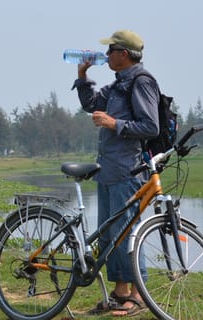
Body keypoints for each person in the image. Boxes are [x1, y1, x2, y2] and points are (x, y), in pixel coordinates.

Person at [72, 30, 159, 317]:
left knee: (128, 235)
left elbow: (150, 127)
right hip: (107, 170)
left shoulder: (141, 82)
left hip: (128, 170)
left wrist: (114, 123)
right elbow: (90, 104)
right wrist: (83, 76)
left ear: (124, 54)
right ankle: (121, 292)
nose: (106, 55)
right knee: (111, 237)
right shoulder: (118, 85)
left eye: (111, 50)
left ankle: (138, 295)